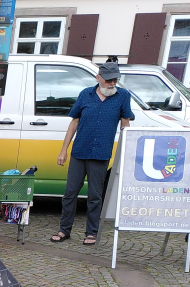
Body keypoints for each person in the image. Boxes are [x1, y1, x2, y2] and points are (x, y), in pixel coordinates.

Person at [51, 61, 133, 246]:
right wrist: (63, 150)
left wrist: (127, 152)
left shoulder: (123, 96)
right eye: (109, 80)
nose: (112, 83)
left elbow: (125, 124)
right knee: (70, 193)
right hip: (79, 152)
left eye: (115, 80)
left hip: (101, 153)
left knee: (95, 195)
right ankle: (64, 230)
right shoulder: (85, 94)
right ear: (98, 78)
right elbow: (74, 123)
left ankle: (92, 232)